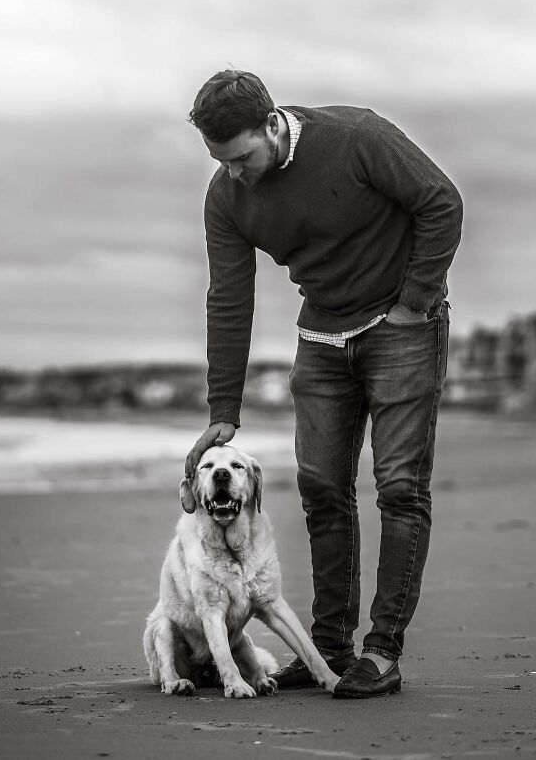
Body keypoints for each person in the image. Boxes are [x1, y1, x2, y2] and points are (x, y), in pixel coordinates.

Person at [184, 70, 463, 698]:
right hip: (322, 336)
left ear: (271, 124)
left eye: (242, 157)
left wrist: (416, 302)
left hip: (402, 327)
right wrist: (223, 408)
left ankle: (381, 651)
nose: (233, 172)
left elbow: (442, 203)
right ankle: (330, 648)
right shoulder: (226, 197)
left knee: (398, 487)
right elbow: (229, 297)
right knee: (321, 488)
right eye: (220, 161)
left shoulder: (356, 137)